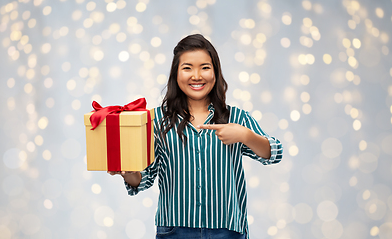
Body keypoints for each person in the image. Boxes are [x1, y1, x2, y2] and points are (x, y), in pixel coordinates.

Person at [108, 34, 283, 239]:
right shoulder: (157, 121)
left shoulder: (236, 117)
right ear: (176, 74)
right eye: (188, 67)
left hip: (227, 230)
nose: (197, 76)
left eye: (205, 67)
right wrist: (128, 172)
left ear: (215, 73)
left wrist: (245, 135)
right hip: (175, 230)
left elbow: (274, 154)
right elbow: (144, 178)